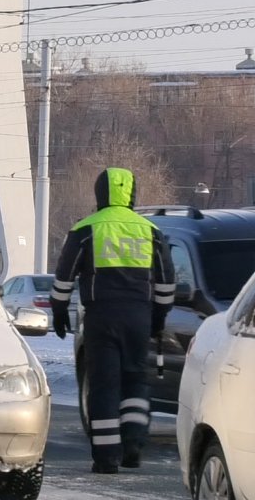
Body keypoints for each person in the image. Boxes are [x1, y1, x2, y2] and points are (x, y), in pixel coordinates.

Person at [49, 167, 176, 474]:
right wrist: (158, 318)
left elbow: (64, 275)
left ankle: (106, 458)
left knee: (104, 385)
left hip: (101, 316)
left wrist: (59, 310)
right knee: (135, 379)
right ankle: (132, 444)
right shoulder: (149, 230)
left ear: (99, 192)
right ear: (132, 194)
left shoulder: (86, 229)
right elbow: (166, 281)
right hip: (138, 316)